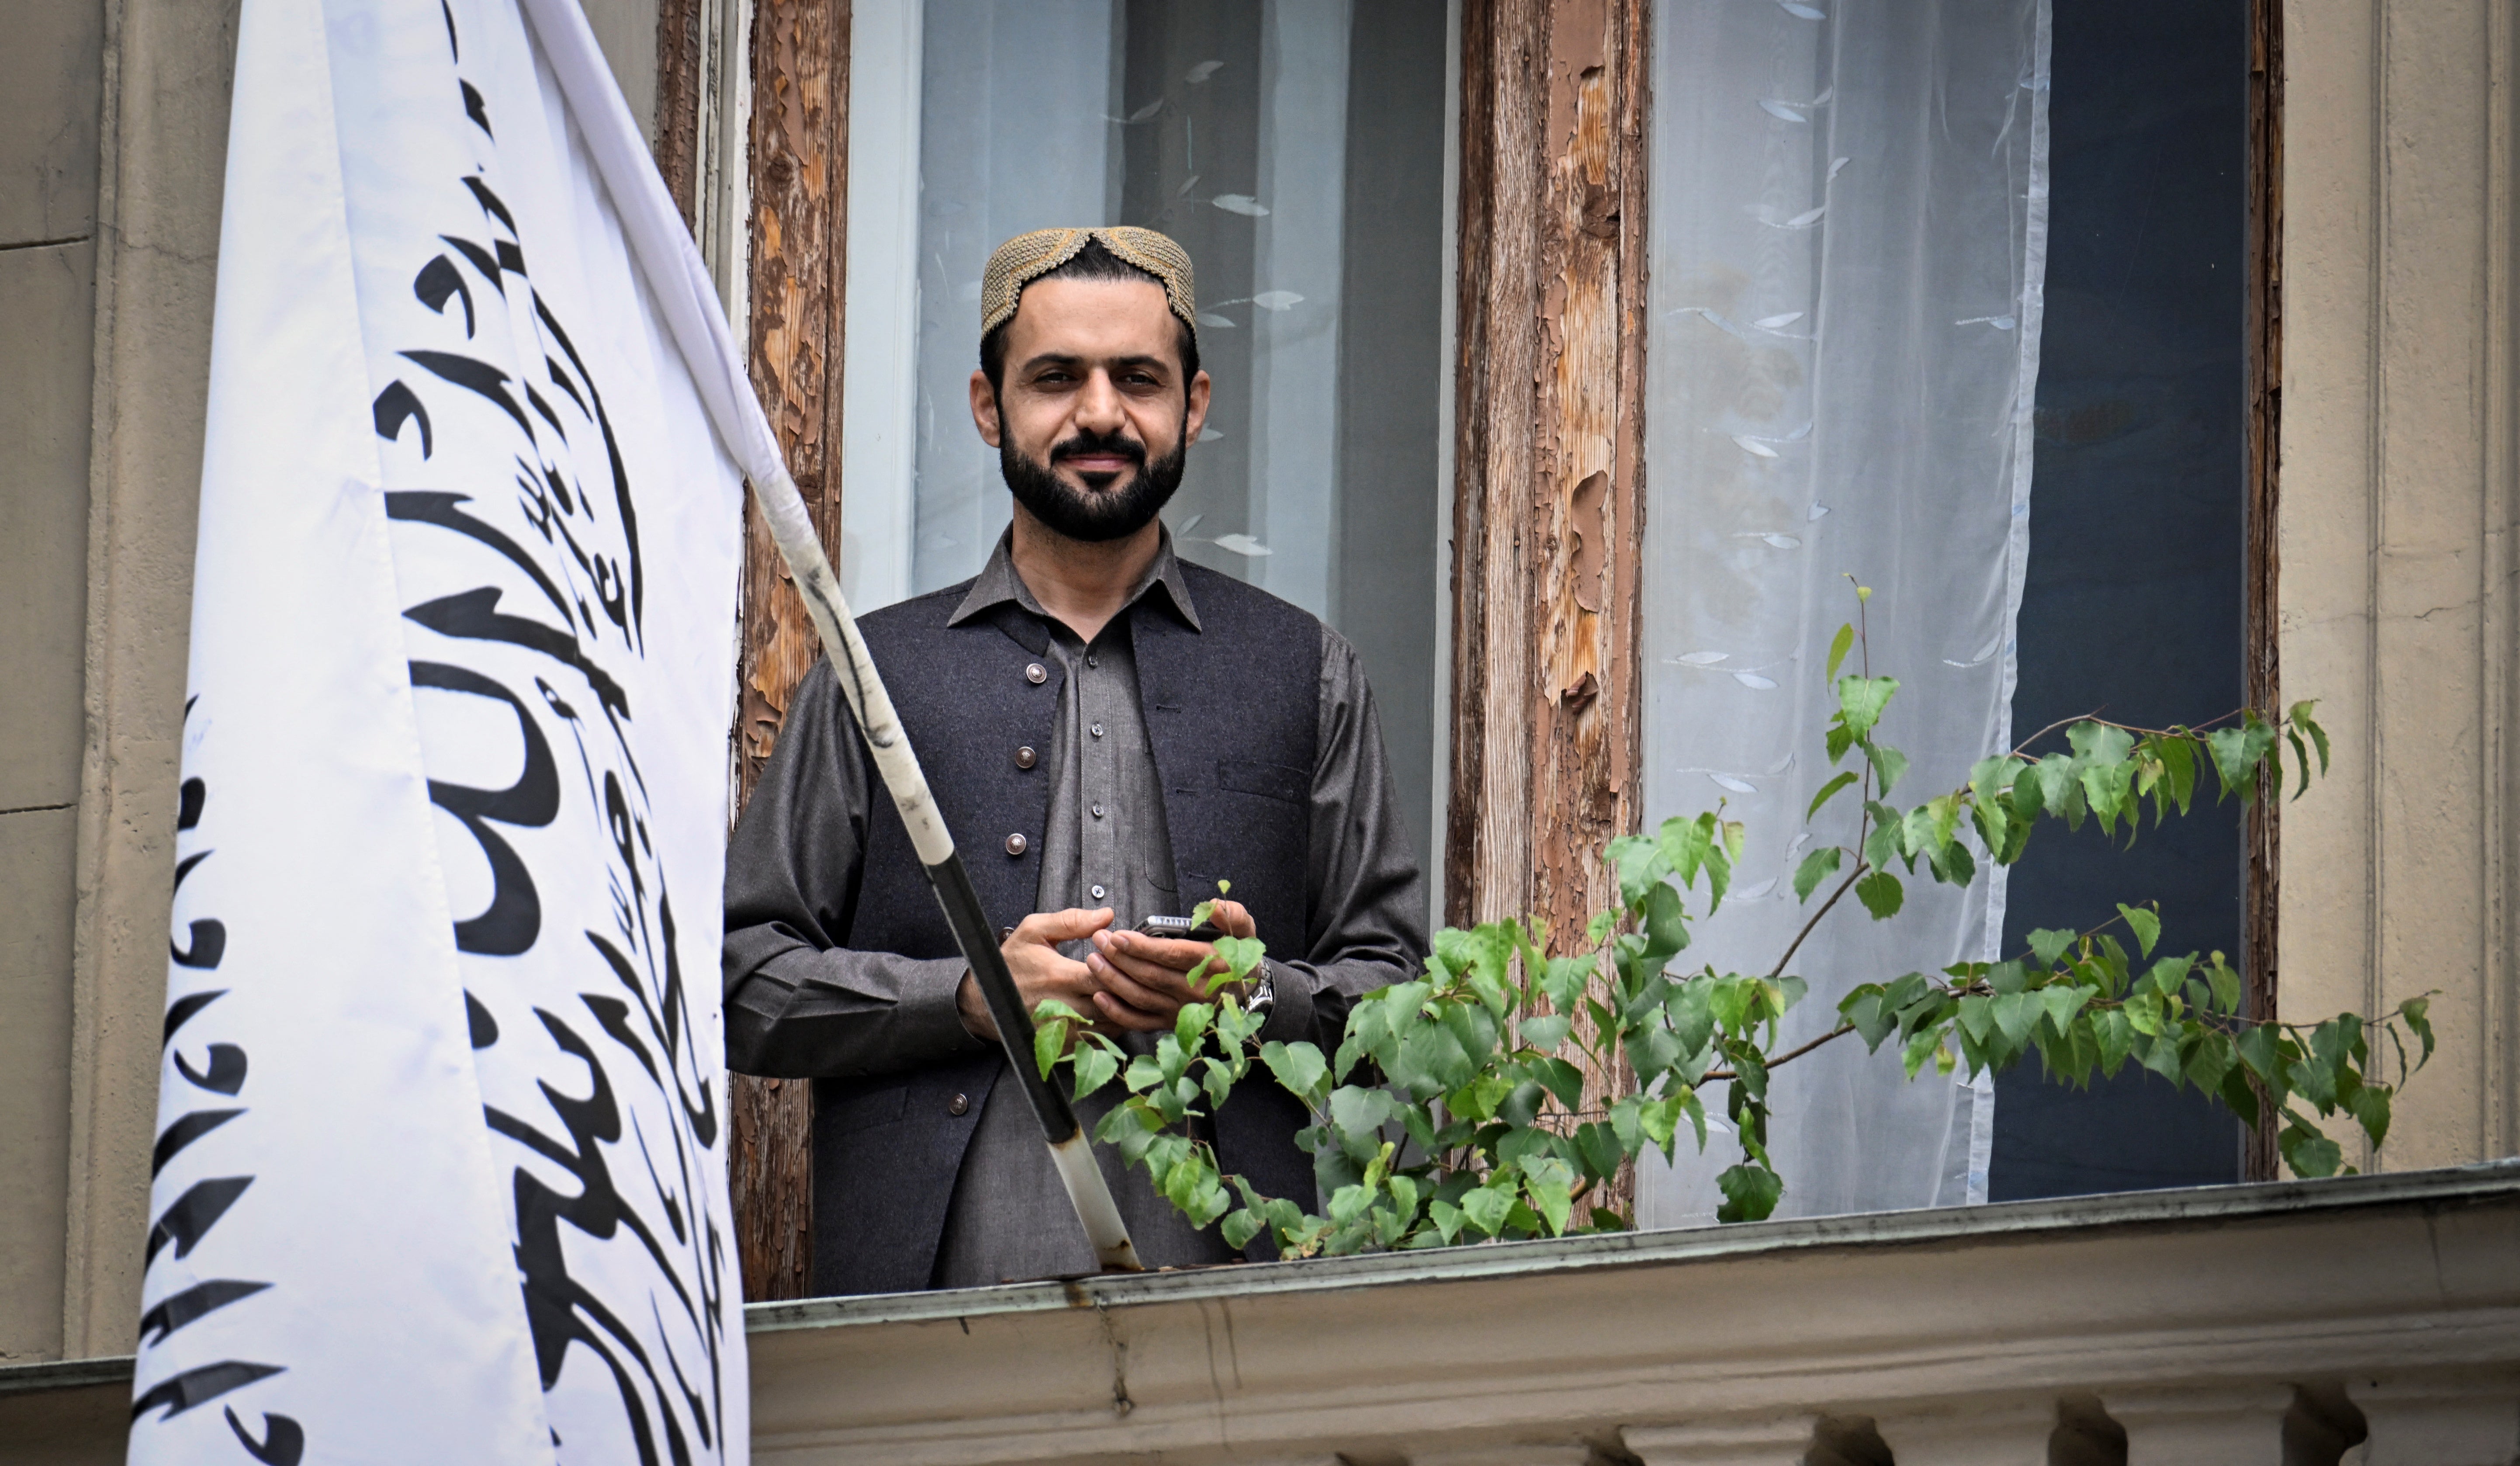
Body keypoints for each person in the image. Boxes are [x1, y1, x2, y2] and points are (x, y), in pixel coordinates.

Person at [721, 226, 1428, 1295]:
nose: (1100, 413)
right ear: (986, 404)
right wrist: (967, 996)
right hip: (926, 1343)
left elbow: (1403, 1004)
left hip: (1252, 1339)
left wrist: (1255, 995)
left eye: (1137, 379)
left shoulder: (1307, 670)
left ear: (1192, 404)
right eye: (1056, 377)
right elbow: (739, 980)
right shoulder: (874, 679)